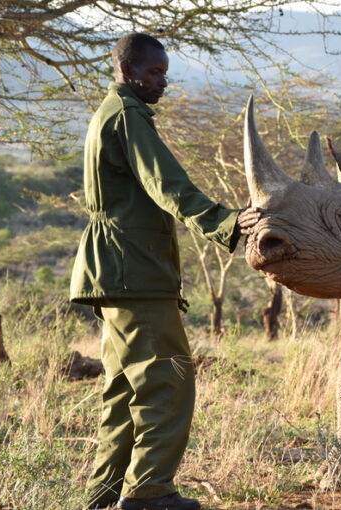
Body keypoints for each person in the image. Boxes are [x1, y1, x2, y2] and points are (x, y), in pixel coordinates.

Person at [69, 33, 260, 510]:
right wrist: (227, 222)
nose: (163, 82)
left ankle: (105, 494)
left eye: (164, 73)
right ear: (128, 69)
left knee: (123, 390)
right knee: (166, 379)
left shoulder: (110, 112)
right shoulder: (129, 116)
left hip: (115, 269)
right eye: (154, 73)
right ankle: (150, 493)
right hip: (134, 269)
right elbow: (166, 184)